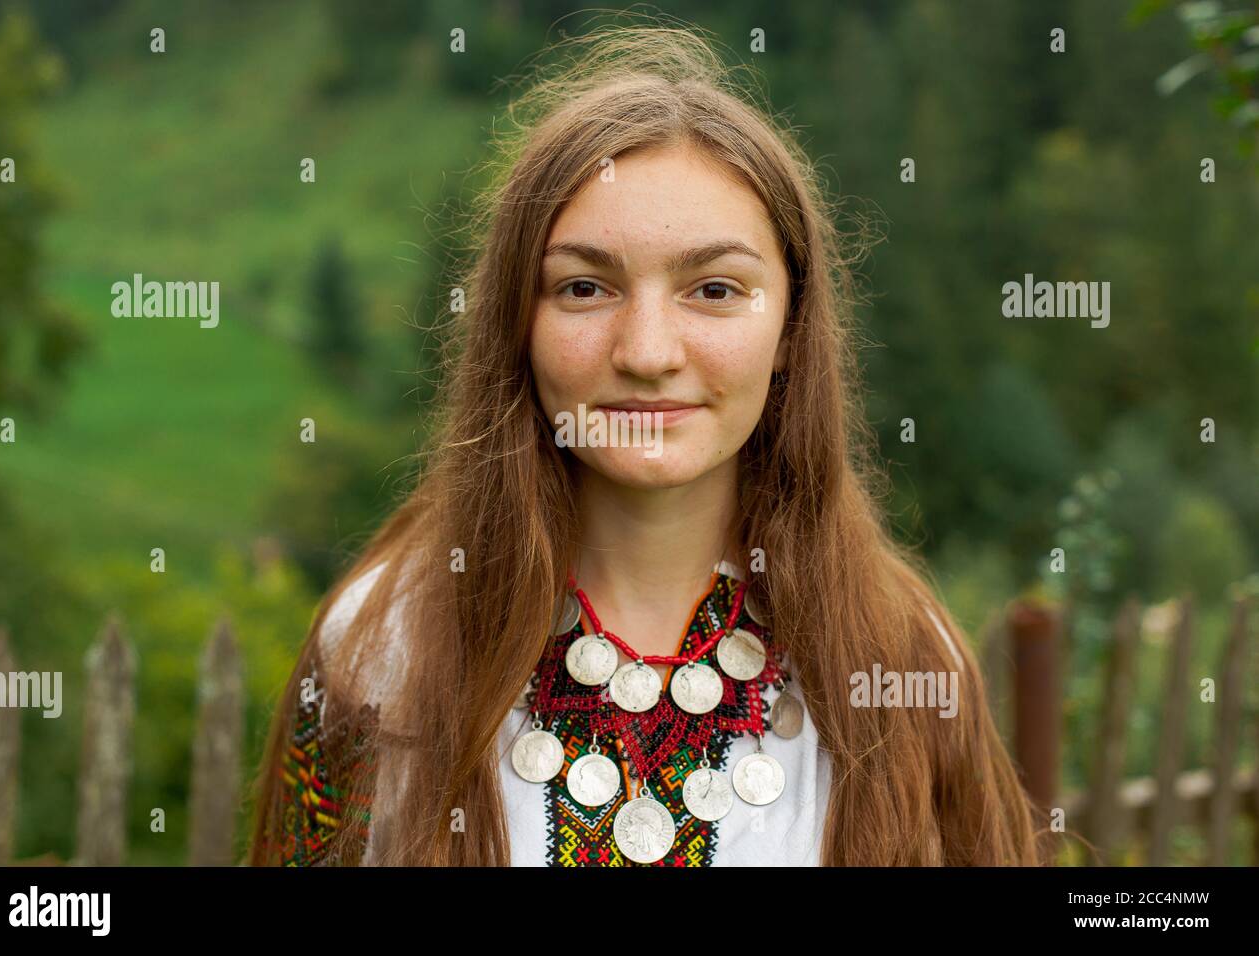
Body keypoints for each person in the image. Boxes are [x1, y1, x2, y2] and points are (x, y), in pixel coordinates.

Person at [248, 23, 1044, 867]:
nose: (648, 352)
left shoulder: (901, 661)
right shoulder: (379, 649)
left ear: (791, 327)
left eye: (715, 289)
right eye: (585, 287)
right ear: (517, 320)